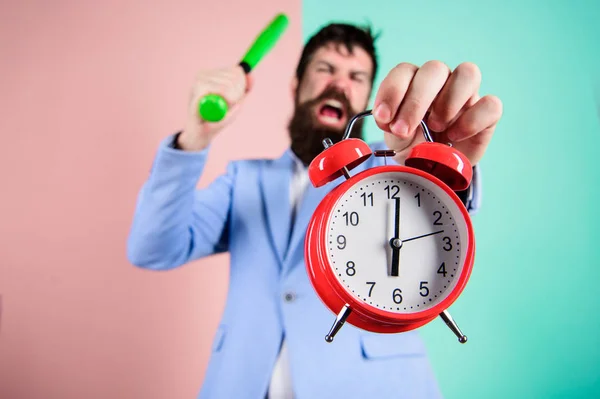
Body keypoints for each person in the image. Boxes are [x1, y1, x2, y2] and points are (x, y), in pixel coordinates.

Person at [127, 22, 502, 399]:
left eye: (356, 76)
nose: (340, 84)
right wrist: (195, 137)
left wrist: (437, 161)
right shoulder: (242, 180)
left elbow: (440, 214)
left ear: (368, 97)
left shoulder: (391, 176)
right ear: (295, 85)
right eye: (325, 69)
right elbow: (151, 247)